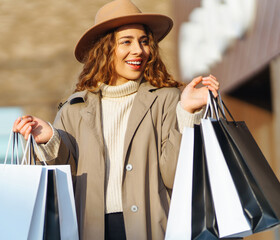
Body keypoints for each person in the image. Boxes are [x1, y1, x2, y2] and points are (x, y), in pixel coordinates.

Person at [13, 0, 219, 239]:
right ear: (105, 49)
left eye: (144, 42)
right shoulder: (74, 110)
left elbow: (176, 175)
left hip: (152, 228)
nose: (139, 51)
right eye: (126, 42)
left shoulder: (167, 99)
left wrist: (187, 112)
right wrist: (49, 139)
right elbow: (64, 183)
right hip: (90, 230)